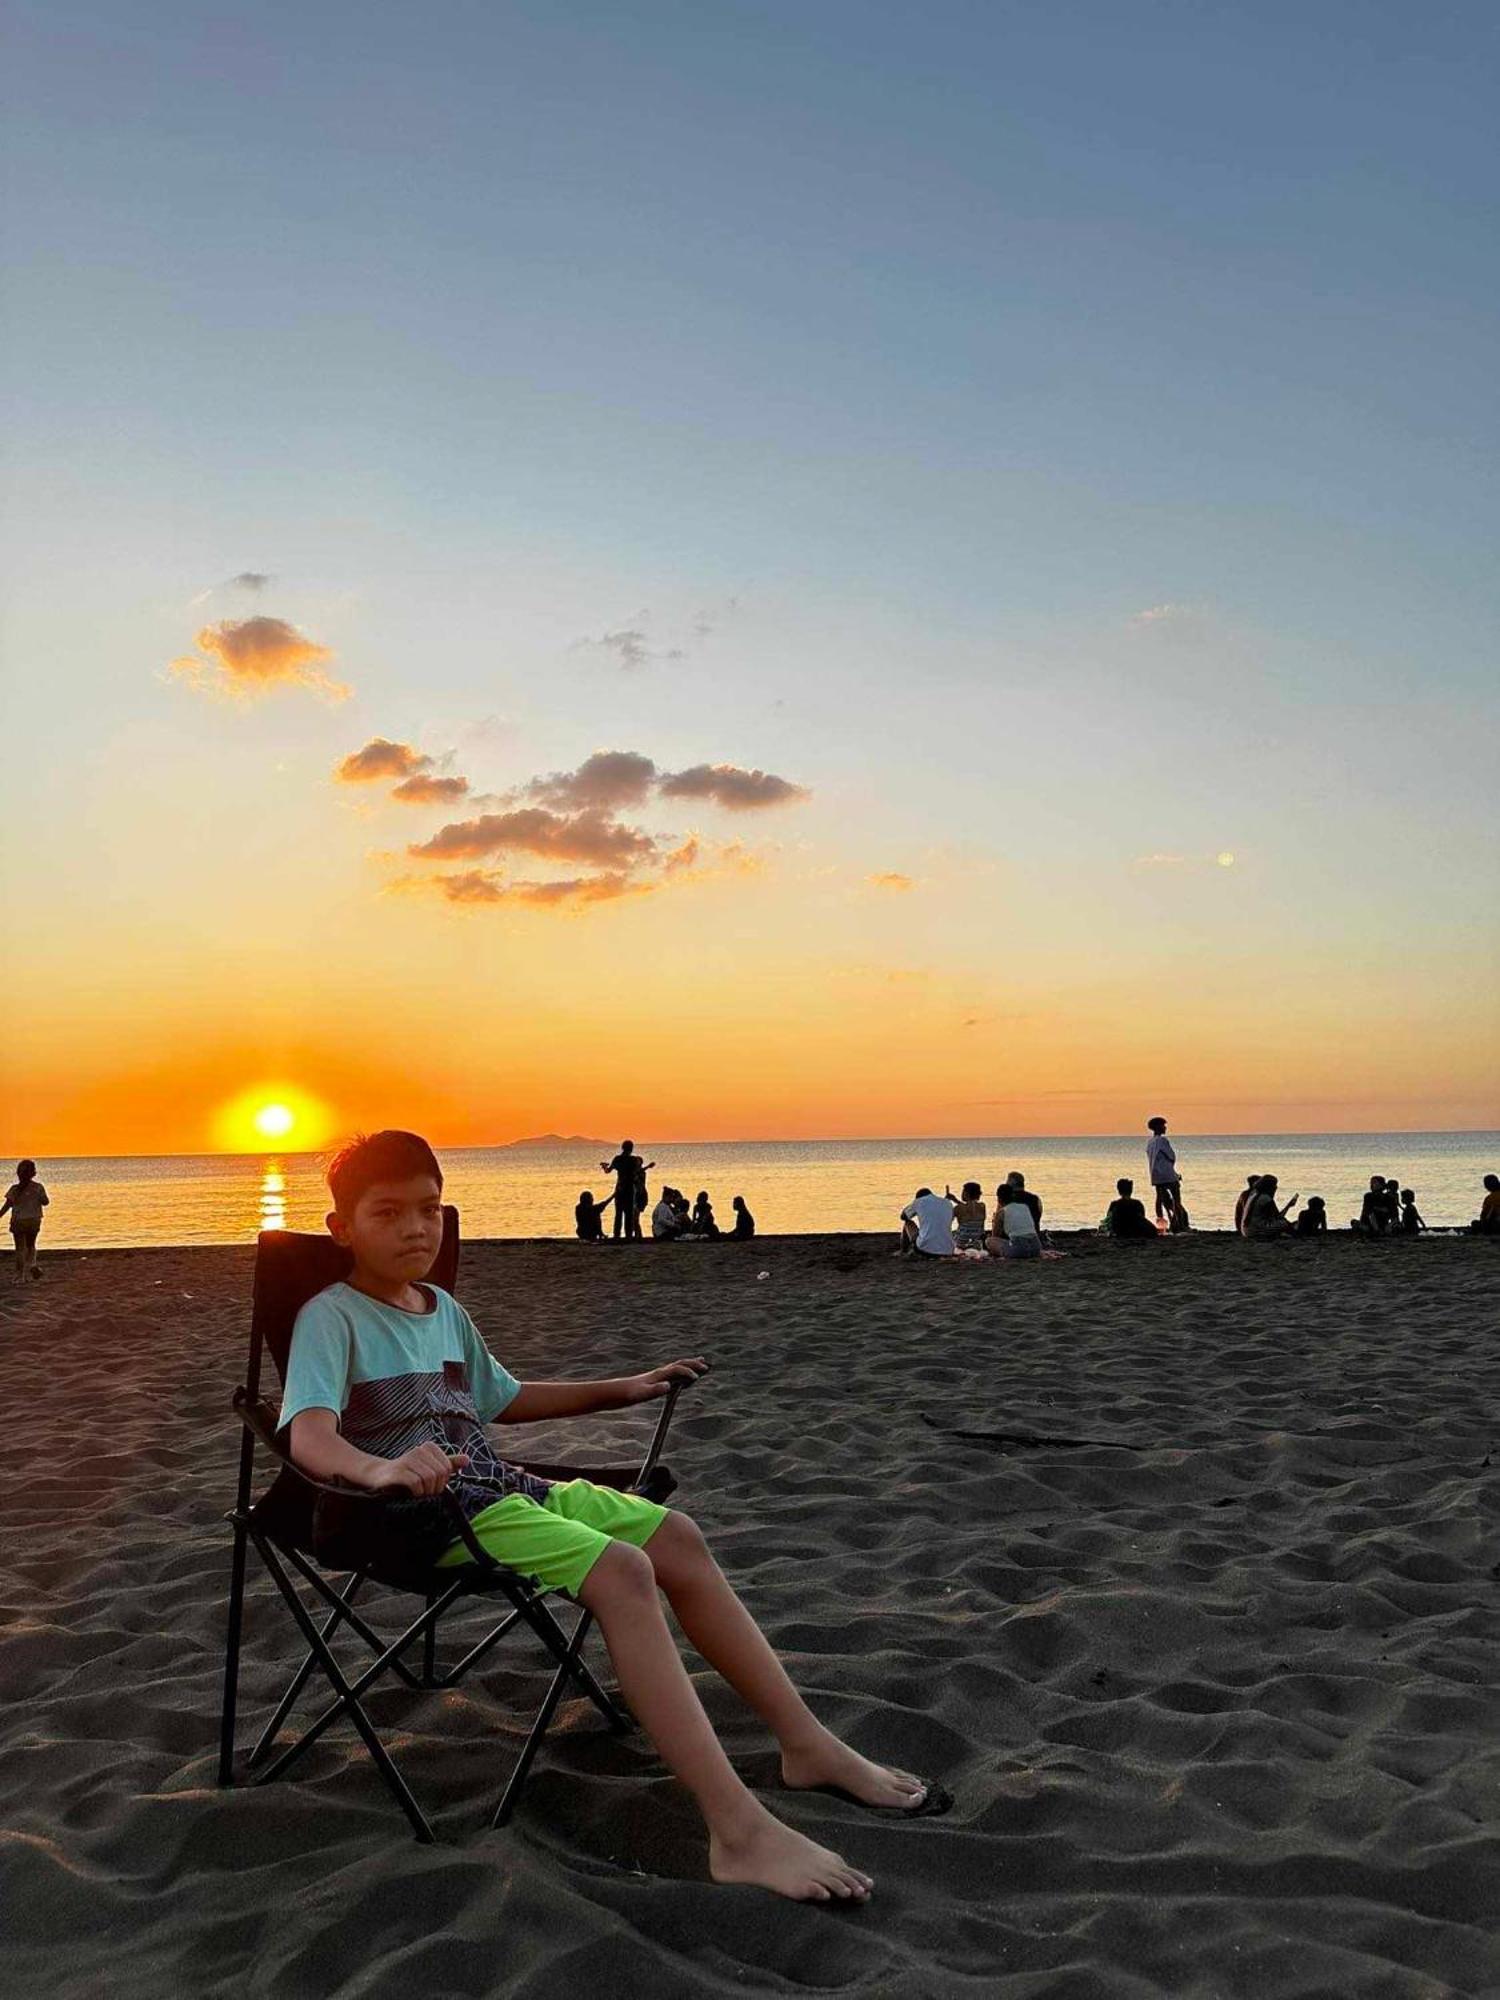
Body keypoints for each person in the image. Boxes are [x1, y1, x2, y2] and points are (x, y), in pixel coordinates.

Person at [280, 1131, 948, 1903]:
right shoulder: (331, 1319)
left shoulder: (443, 1310)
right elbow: (309, 1435)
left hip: (501, 1489)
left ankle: (807, 1747)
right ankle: (737, 1830)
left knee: (676, 1536)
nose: (414, 1229)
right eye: (387, 1212)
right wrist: (383, 1467)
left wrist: (626, 1386)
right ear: (343, 1229)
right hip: (416, 1515)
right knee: (623, 1571)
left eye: (428, 1210)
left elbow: (506, 1398)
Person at [1, 1159, 48, 1282]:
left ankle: (20, 1276)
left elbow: (7, 1205)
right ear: (34, 1173)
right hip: (34, 1220)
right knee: (31, 1245)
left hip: (18, 1220)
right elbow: (46, 1202)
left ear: (18, 1173)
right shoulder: (38, 1187)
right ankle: (32, 1264)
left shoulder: (14, 1189)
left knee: (20, 1248)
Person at [600, 1141, 655, 1242]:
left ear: (622, 1148)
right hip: (629, 1189)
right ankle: (628, 1235)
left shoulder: (617, 1159)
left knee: (618, 1213)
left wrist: (604, 1167)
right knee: (629, 1214)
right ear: (631, 1148)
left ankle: (617, 1235)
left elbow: (608, 1171)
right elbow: (638, 1171)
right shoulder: (633, 1160)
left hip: (620, 1188)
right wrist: (648, 1167)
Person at [899, 1186, 956, 1258]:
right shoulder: (948, 1203)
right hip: (948, 1250)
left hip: (925, 1249)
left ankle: (903, 1251)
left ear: (918, 1198)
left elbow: (903, 1216)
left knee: (908, 1223)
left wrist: (914, 1206)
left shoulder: (919, 1202)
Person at [1145, 1118, 1181, 1229]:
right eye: (1163, 1125)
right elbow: (1171, 1156)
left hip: (1156, 1175)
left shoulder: (1150, 1142)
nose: (1165, 1127)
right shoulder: (1162, 1141)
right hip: (1167, 1174)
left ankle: (1161, 1223)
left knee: (1159, 1199)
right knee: (1176, 1198)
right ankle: (1177, 1222)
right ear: (1158, 1127)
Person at [989, 1185, 1042, 1260]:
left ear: (999, 1198)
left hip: (1019, 1249)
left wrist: (994, 1221)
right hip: (1036, 1247)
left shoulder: (1002, 1212)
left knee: (990, 1241)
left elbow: (995, 1236)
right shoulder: (1024, 1206)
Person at [1241, 1173, 1297, 1240]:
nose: (1276, 1187)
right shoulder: (1266, 1198)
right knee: (1284, 1223)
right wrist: (1288, 1206)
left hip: (1245, 1230)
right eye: (1275, 1185)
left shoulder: (1253, 1195)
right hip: (1254, 1231)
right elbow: (1278, 1217)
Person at [1105, 1177, 1157, 1241]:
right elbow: (1142, 1216)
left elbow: (1108, 1219)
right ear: (1131, 1190)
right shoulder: (1137, 1203)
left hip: (1120, 1231)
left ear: (1119, 1191)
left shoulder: (1114, 1204)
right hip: (1135, 1230)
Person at [1002, 1171, 1044, 1237]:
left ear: (1011, 1183)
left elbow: (1001, 1218)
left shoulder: (1007, 1199)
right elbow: (1039, 1215)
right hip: (1034, 1236)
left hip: (1012, 1237)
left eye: (1007, 1181)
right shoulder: (1035, 1199)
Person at [952, 1182, 987, 1251]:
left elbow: (946, 1221)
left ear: (966, 1193)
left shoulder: (958, 1208)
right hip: (976, 1243)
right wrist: (955, 1200)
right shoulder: (982, 1206)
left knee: (952, 1233)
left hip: (961, 1243)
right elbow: (968, 1209)